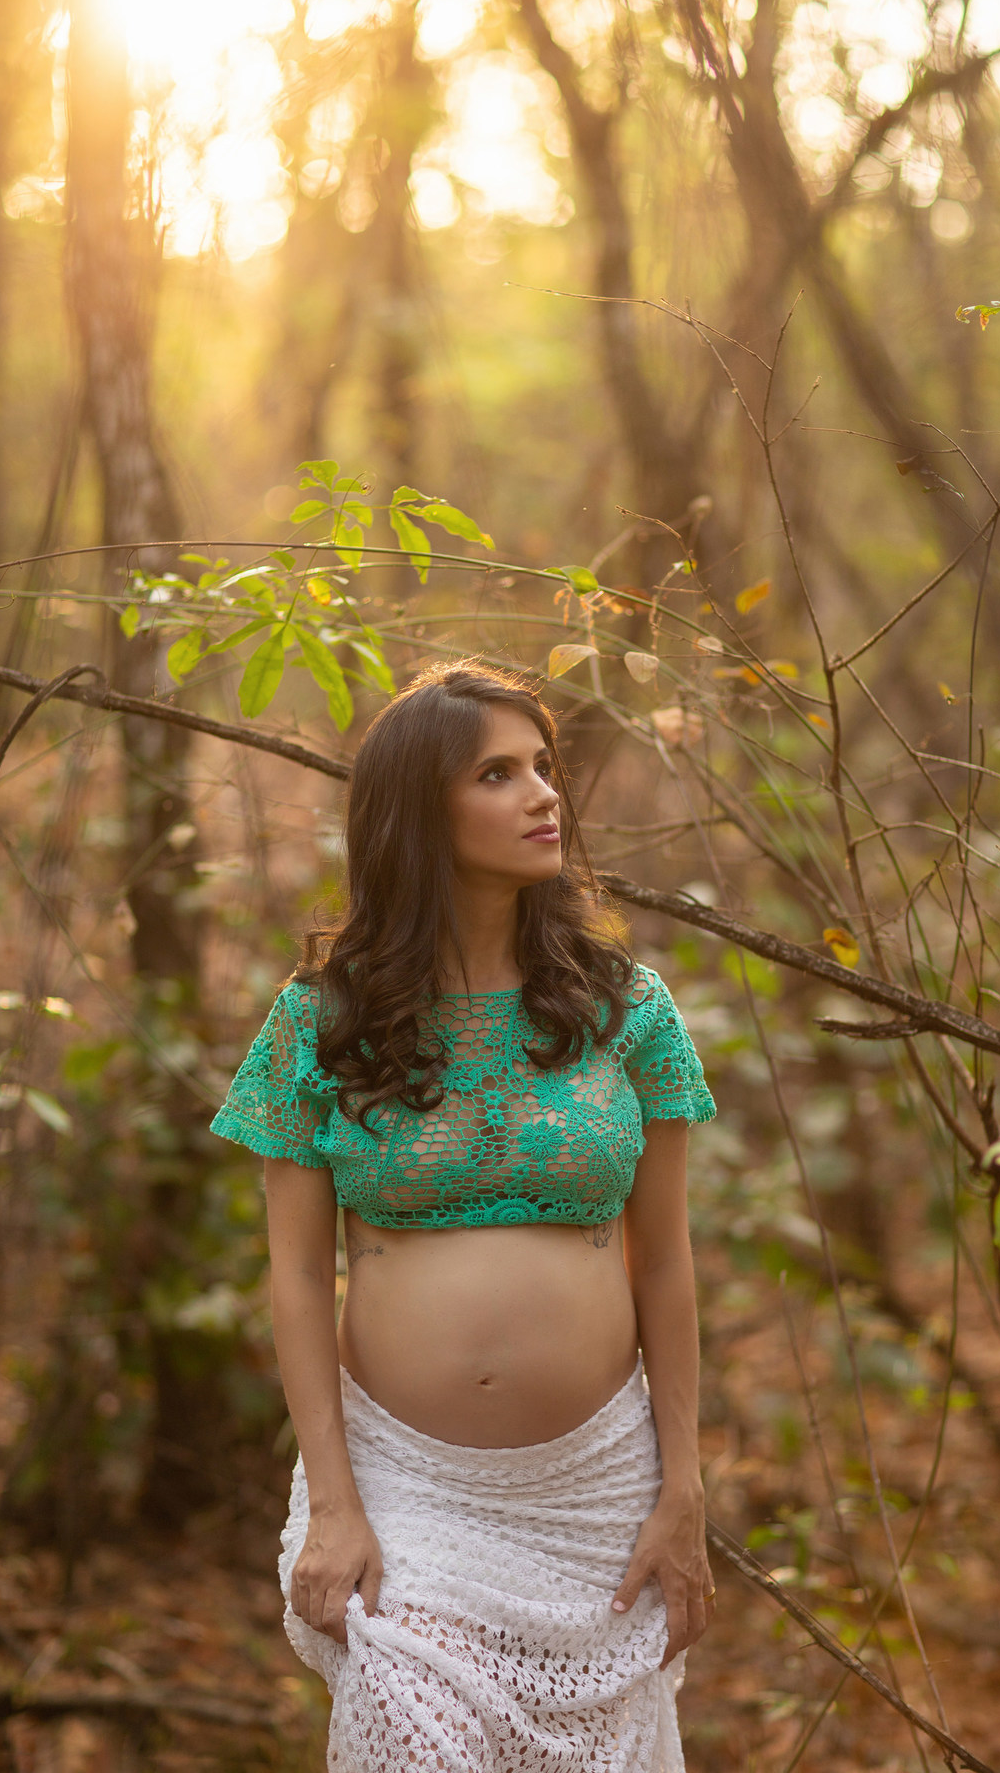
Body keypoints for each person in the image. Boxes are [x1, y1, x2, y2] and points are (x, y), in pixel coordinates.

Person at [209, 658, 718, 1772]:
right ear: (416, 813)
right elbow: (297, 1280)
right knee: (409, 1728)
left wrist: (684, 1489)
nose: (543, 794)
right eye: (498, 773)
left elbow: (667, 1265)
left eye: (544, 768)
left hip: (594, 1492)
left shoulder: (625, 1009)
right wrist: (335, 1502)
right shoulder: (322, 1022)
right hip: (407, 1490)